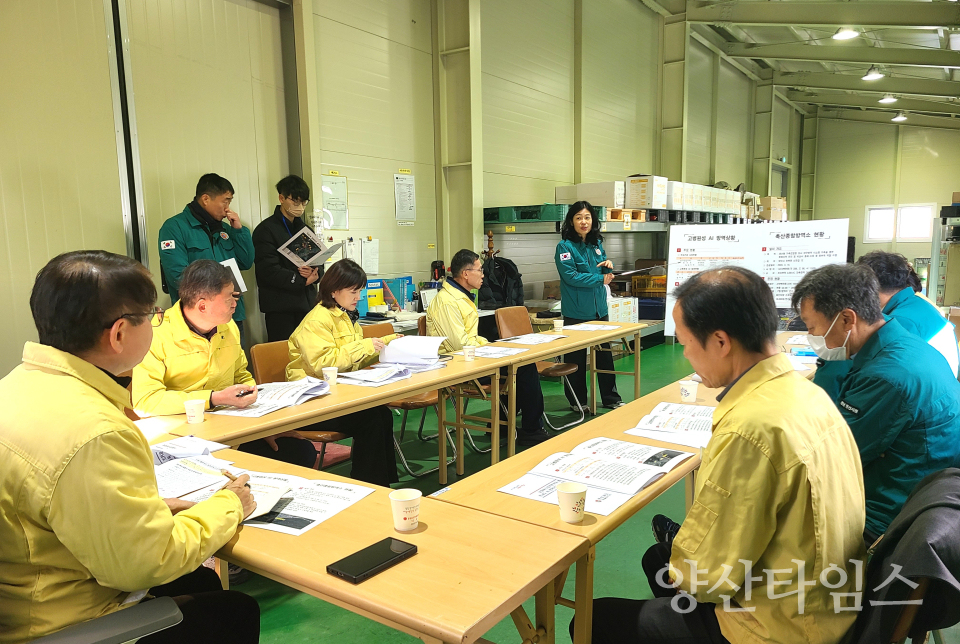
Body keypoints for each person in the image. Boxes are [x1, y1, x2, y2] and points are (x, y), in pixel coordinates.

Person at [575, 267, 866, 644]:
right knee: (659, 558)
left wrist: (684, 572)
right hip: (828, 596)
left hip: (778, 625)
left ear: (720, 341)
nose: (685, 355)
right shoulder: (808, 394)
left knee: (593, 620)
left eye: (686, 343)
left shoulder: (749, 428)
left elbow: (708, 577)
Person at [0, 250, 259, 643]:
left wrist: (152, 508)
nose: (159, 321)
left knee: (200, 580)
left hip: (31, 584)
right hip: (63, 620)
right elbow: (147, 564)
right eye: (153, 315)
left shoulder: (16, 385)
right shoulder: (97, 433)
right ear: (119, 333)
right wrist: (229, 504)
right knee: (233, 611)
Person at [793, 263, 960, 541]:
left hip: (889, 512)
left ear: (847, 319)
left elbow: (835, 457)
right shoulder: (902, 343)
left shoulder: (887, 376)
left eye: (812, 328)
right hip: (922, 488)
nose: (812, 337)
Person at [132, 260, 317, 468]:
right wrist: (212, 398)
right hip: (184, 436)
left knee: (299, 451)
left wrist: (259, 420)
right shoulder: (156, 334)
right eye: (229, 298)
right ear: (202, 305)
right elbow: (146, 402)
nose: (235, 303)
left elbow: (241, 375)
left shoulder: (227, 327)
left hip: (231, 426)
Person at [287, 259, 399, 486]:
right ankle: (369, 485)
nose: (358, 297)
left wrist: (386, 344)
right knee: (370, 420)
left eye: (360, 291)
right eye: (353, 291)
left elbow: (352, 360)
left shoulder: (346, 316)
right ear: (334, 290)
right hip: (311, 401)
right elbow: (323, 364)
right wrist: (365, 346)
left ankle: (381, 483)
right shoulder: (317, 320)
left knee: (382, 414)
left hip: (336, 394)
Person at [427, 249, 551, 446]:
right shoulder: (447, 302)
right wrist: (487, 347)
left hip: (471, 358)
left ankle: (502, 424)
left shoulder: (462, 296)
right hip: (455, 365)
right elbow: (459, 345)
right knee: (523, 369)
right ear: (466, 274)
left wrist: (488, 345)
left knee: (519, 363)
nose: (483, 275)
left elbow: (470, 338)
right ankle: (531, 429)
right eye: (479, 270)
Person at [159, 173, 255, 344]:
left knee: (235, 360)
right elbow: (177, 276)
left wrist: (239, 230)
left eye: (229, 202)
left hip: (231, 314)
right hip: (197, 319)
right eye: (225, 201)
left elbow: (246, 262)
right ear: (205, 199)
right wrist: (217, 295)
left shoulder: (225, 229)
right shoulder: (174, 228)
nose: (228, 208)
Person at [554, 201, 623, 411]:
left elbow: (601, 272)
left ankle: (611, 398)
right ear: (571, 221)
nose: (583, 222)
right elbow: (571, 276)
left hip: (599, 309)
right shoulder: (565, 247)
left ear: (593, 220)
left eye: (587, 217)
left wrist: (607, 267)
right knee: (575, 359)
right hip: (576, 311)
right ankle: (577, 401)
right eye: (578, 218)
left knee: (605, 356)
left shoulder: (596, 244)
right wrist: (599, 279)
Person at [253, 174, 322, 342]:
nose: (300, 207)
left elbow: (318, 261)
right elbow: (268, 270)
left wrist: (316, 274)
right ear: (281, 198)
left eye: (304, 202)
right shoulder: (266, 230)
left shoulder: (305, 229)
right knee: (283, 352)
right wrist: (301, 280)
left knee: (310, 350)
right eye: (295, 201)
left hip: (307, 305)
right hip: (280, 308)